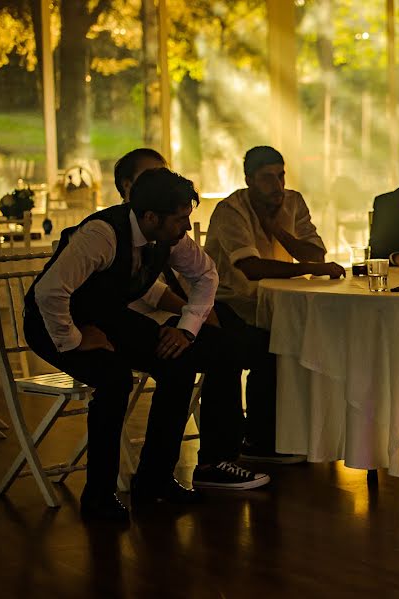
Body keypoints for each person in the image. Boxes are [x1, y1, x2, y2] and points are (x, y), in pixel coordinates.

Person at [24, 168, 269, 523]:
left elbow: (206, 275)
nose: (187, 228)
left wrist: (186, 330)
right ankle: (98, 496)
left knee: (179, 361)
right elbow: (49, 293)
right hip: (51, 322)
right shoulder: (101, 235)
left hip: (105, 316)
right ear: (151, 216)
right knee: (114, 379)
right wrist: (75, 339)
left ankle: (154, 480)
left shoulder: (166, 238)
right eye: (181, 219)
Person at [114, 149, 279, 492]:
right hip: (135, 323)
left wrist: (197, 317)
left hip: (184, 314)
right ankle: (215, 459)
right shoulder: (115, 229)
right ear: (129, 186)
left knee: (265, 340)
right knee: (221, 349)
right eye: (151, 178)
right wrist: (195, 319)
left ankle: (259, 438)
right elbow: (149, 292)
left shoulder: (170, 228)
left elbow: (205, 274)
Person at [205, 146, 345, 460]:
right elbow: (251, 269)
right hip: (231, 304)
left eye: (281, 176)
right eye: (267, 178)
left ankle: (302, 432)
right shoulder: (232, 210)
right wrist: (310, 270)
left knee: (318, 337)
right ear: (248, 180)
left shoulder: (292, 202)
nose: (277, 186)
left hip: (283, 306)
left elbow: (315, 254)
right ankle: (260, 440)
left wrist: (277, 230)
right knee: (272, 346)